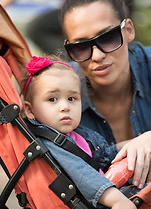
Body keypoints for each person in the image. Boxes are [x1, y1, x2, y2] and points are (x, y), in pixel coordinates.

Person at [20, 55, 147, 209]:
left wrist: (130, 146)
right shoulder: (49, 144)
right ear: (30, 110)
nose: (65, 107)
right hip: (98, 205)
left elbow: (101, 155)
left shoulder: (76, 135)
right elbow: (82, 173)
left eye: (72, 98)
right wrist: (117, 201)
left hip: (110, 190)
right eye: (53, 99)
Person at [60, 0, 151, 190]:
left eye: (107, 37)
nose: (97, 56)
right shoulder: (58, 98)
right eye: (80, 46)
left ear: (128, 31)